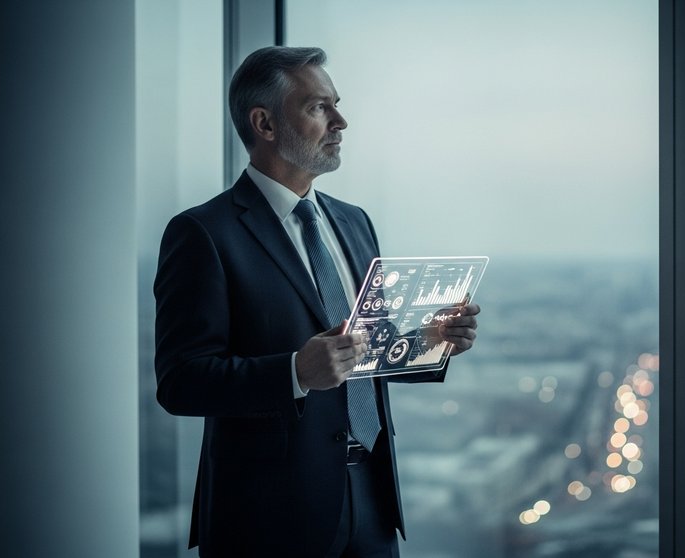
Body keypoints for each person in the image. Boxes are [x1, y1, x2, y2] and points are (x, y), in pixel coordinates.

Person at [153, 46, 481, 557]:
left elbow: (365, 353)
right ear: (263, 123)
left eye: (336, 104)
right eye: (318, 107)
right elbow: (180, 383)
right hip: (267, 516)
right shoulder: (203, 234)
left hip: (371, 500)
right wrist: (294, 373)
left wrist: (431, 342)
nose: (341, 121)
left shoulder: (354, 221)